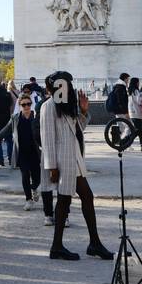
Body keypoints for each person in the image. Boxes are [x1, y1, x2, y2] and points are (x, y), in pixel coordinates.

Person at [41, 71, 111, 261]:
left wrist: (84, 110)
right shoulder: (48, 107)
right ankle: (62, 246)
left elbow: (78, 129)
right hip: (62, 162)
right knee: (68, 200)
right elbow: (47, 140)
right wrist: (52, 167)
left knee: (81, 198)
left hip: (76, 159)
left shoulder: (67, 106)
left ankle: (91, 243)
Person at [0, 89, 42, 208]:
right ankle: (28, 200)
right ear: (20, 105)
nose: (26, 106)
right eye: (24, 104)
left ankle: (34, 188)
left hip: (35, 152)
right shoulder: (15, 118)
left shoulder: (36, 117)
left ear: (31, 104)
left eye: (28, 104)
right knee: (25, 175)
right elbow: (6, 130)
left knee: (37, 178)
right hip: (22, 152)